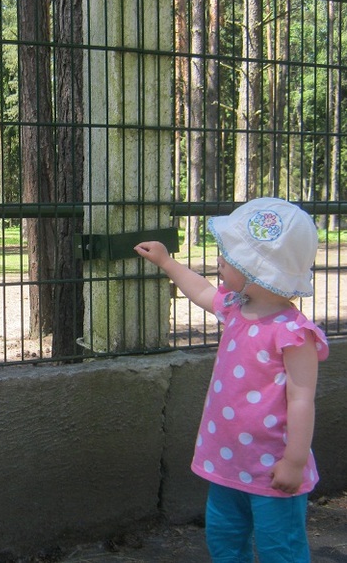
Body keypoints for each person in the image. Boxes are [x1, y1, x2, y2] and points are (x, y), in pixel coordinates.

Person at [134, 197, 329, 563]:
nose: (220, 261)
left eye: (229, 255)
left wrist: (295, 461)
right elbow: (202, 291)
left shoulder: (293, 333)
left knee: (280, 549)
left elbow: (302, 398)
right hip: (228, 463)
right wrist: (166, 261)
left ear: (258, 270)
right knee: (224, 540)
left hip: (274, 468)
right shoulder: (237, 308)